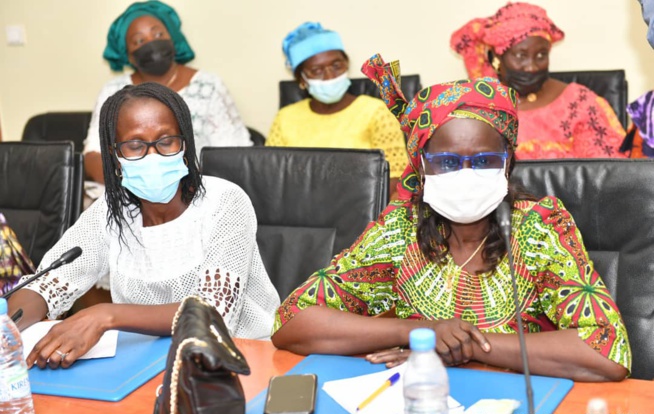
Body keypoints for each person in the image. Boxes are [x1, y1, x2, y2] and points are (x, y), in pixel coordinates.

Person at [271, 54, 632, 382]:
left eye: (484, 160)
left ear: (508, 164)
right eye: (446, 162)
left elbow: (607, 351)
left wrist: (468, 345)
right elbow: (292, 321)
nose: (466, 173)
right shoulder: (398, 230)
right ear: (421, 168)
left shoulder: (539, 228)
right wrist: (419, 331)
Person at [8, 82, 280, 369]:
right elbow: (46, 286)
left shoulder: (224, 202)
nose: (153, 156)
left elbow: (213, 313)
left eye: (166, 141)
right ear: (114, 155)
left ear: (184, 145)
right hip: (146, 363)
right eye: (135, 146)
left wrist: (105, 315)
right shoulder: (110, 212)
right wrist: (9, 329)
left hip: (239, 358)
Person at [84, 0, 251, 186]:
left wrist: (184, 189)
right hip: (126, 193)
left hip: (199, 191)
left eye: (158, 34)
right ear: (128, 55)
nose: (151, 42)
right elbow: (93, 155)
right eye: (139, 41)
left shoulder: (208, 86)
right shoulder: (112, 92)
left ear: (172, 38)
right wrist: (131, 185)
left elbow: (234, 155)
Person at [450, 2, 626, 159]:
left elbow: (609, 174)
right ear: (497, 57)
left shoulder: (580, 103)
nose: (532, 67)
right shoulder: (476, 108)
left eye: (541, 55)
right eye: (521, 56)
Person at [266, 22, 407, 194]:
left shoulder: (376, 112)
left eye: (336, 66)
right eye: (316, 70)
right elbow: (271, 175)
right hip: (299, 211)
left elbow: (394, 178)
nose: (330, 76)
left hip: (362, 211)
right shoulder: (285, 118)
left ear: (347, 65)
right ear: (301, 79)